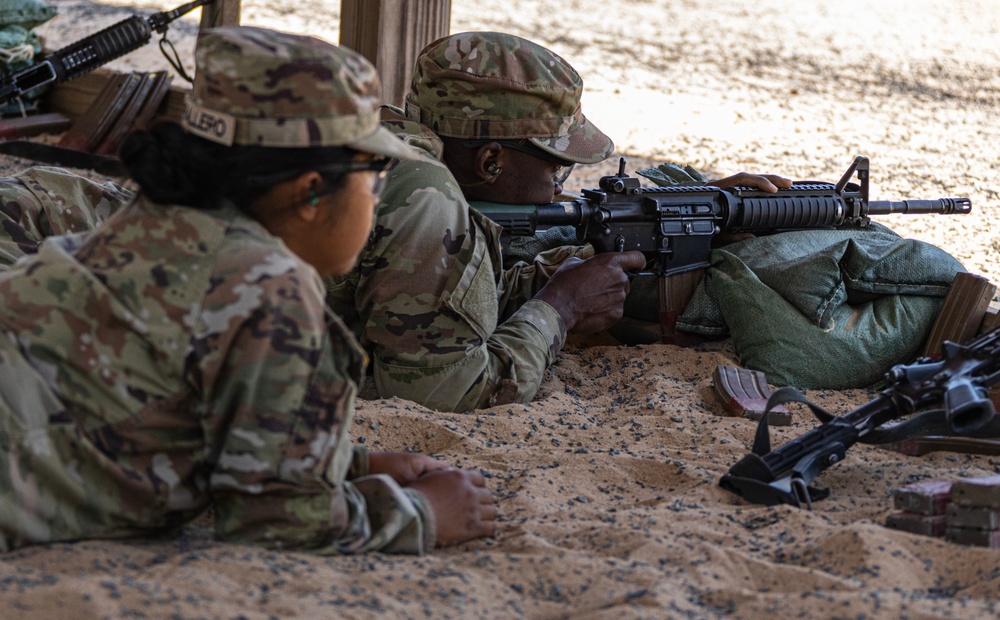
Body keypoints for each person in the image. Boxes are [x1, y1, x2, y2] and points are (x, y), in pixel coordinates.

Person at [0, 26, 495, 554]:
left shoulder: (149, 226)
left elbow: (145, 416)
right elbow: (280, 520)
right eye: (374, 176)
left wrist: (344, 464)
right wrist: (426, 513)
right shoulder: (271, 284)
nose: (376, 199)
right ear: (311, 192)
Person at [326, 31, 790, 413]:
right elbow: (443, 392)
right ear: (491, 161)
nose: (559, 186)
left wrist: (562, 280)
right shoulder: (429, 198)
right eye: (557, 167)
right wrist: (561, 309)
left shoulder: (385, 144)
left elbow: (431, 300)